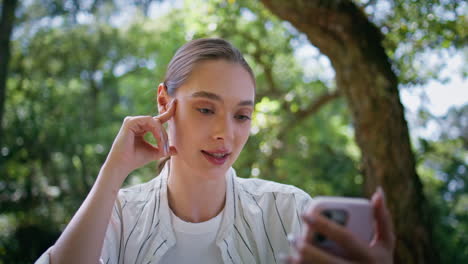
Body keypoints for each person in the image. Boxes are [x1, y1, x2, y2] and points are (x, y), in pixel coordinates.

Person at [35, 38, 395, 264]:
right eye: (206, 109)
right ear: (165, 101)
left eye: (241, 115)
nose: (226, 134)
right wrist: (112, 173)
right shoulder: (118, 214)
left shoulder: (288, 212)